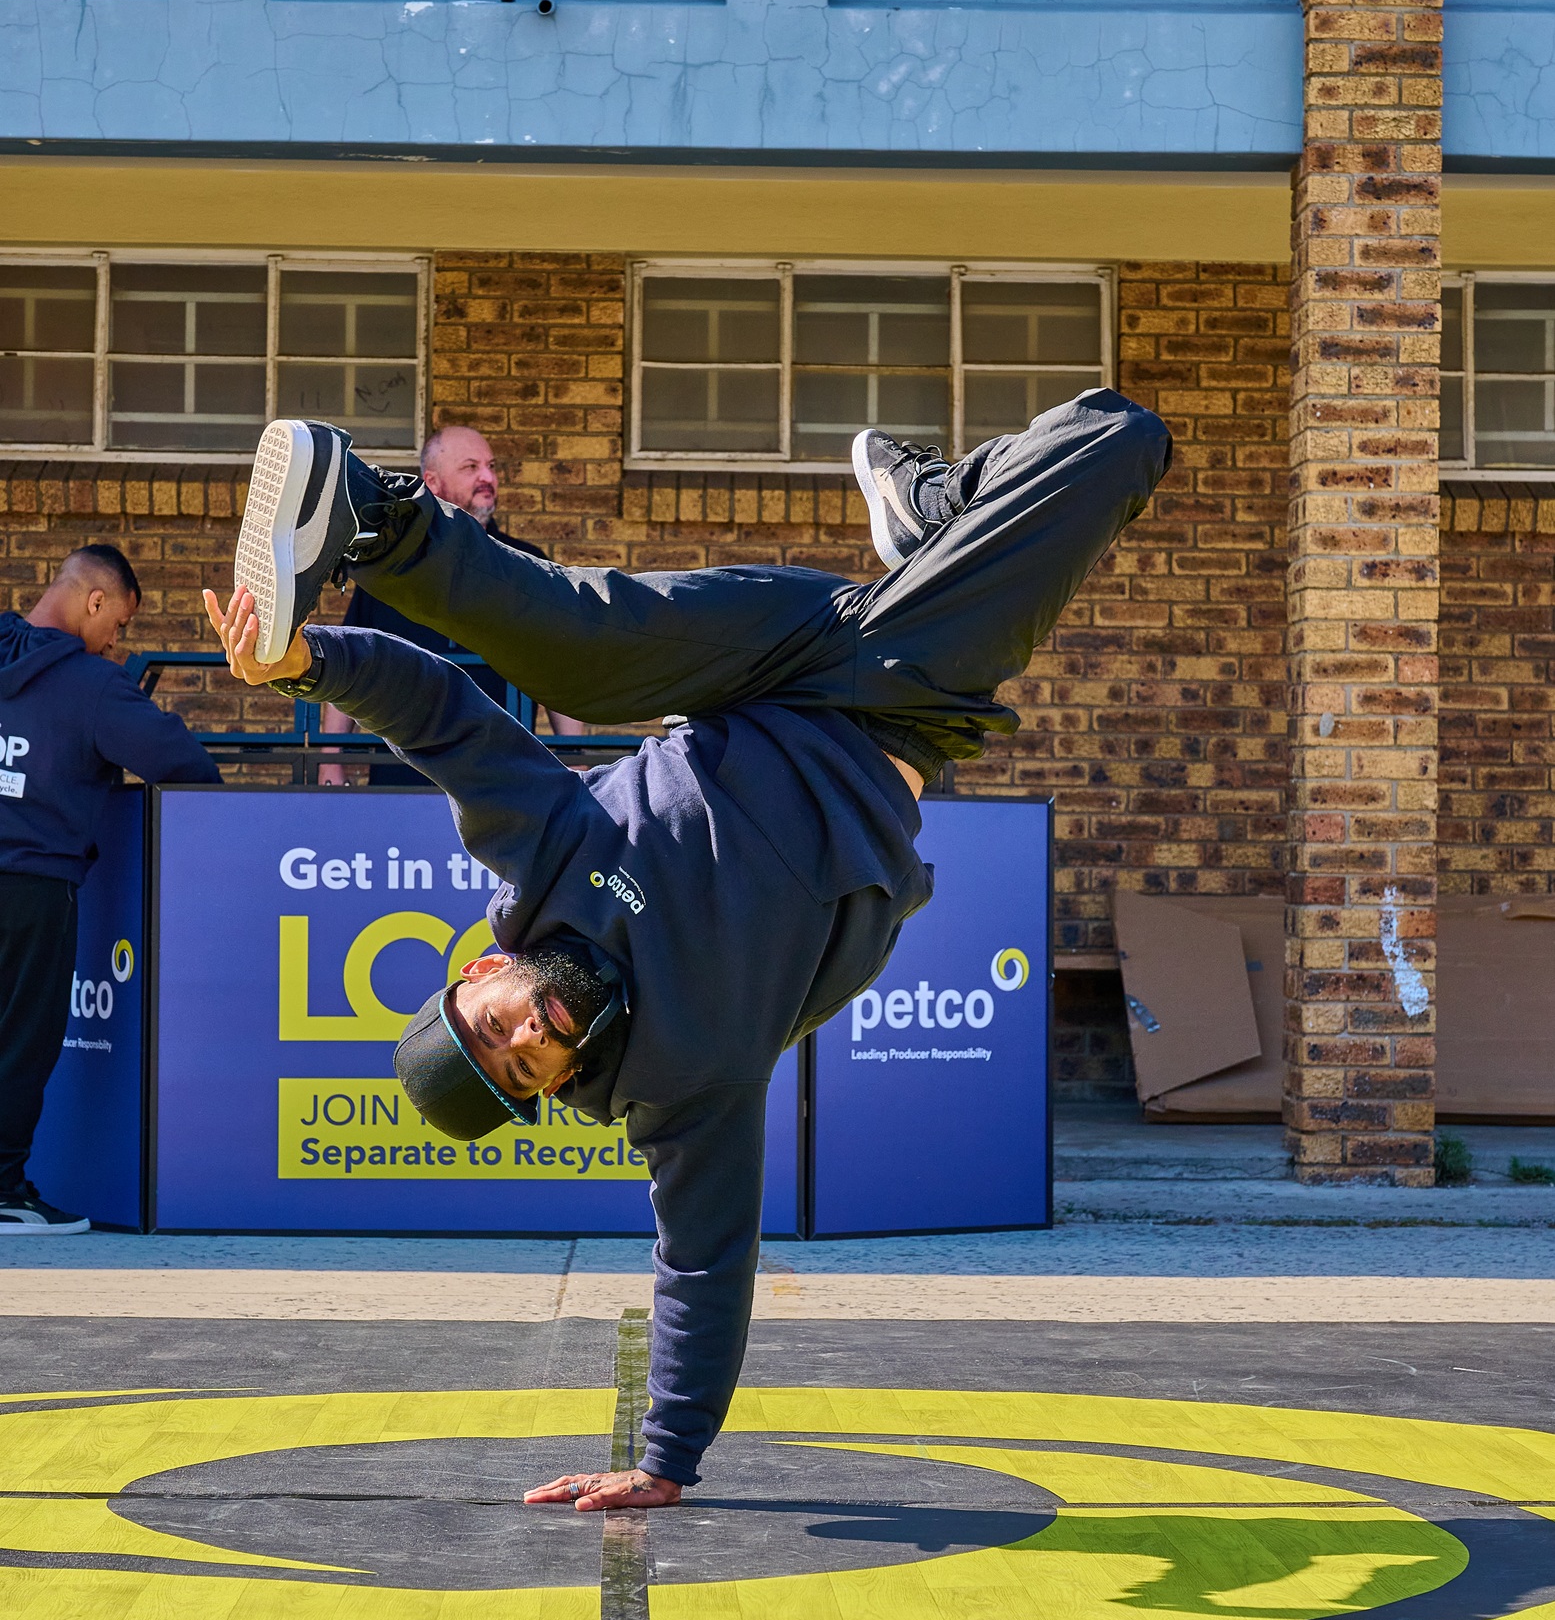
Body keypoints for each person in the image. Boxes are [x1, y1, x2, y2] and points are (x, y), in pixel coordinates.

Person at [209, 389, 1170, 1503]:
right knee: (1120, 439)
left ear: (484, 972)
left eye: (495, 1025)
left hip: (764, 664)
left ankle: (371, 515)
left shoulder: (544, 857)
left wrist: (304, 665)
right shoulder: (682, 1082)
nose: (527, 1036)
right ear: (553, 1086)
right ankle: (940, 508)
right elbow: (703, 1261)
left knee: (579, 655)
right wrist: (664, 1458)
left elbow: (438, 714)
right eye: (524, 1068)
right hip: (895, 693)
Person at [0, 545, 221, 1234]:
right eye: (119, 625)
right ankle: (3, 1192)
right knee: (20, 1042)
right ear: (94, 601)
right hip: (33, 887)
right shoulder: (93, 685)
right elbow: (188, 769)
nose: (116, 642)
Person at [318, 424, 583, 785]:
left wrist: (575, 758)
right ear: (433, 482)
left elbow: (556, 665)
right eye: (471, 467)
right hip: (403, 780)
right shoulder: (391, 565)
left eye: (491, 466)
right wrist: (330, 759)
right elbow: (352, 659)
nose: (488, 477)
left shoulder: (528, 565)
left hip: (505, 782)